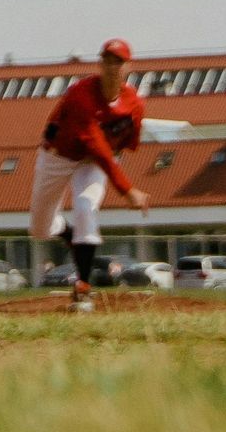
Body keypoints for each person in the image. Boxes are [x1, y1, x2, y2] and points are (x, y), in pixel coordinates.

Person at [29, 38, 150, 306]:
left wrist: (118, 159)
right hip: (58, 156)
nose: (112, 66)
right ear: (100, 63)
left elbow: (129, 142)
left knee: (86, 208)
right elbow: (96, 145)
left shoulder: (134, 103)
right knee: (40, 229)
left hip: (93, 162)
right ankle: (67, 233)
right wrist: (127, 190)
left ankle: (83, 287)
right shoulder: (81, 95)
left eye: (118, 61)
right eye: (107, 60)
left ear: (128, 67)